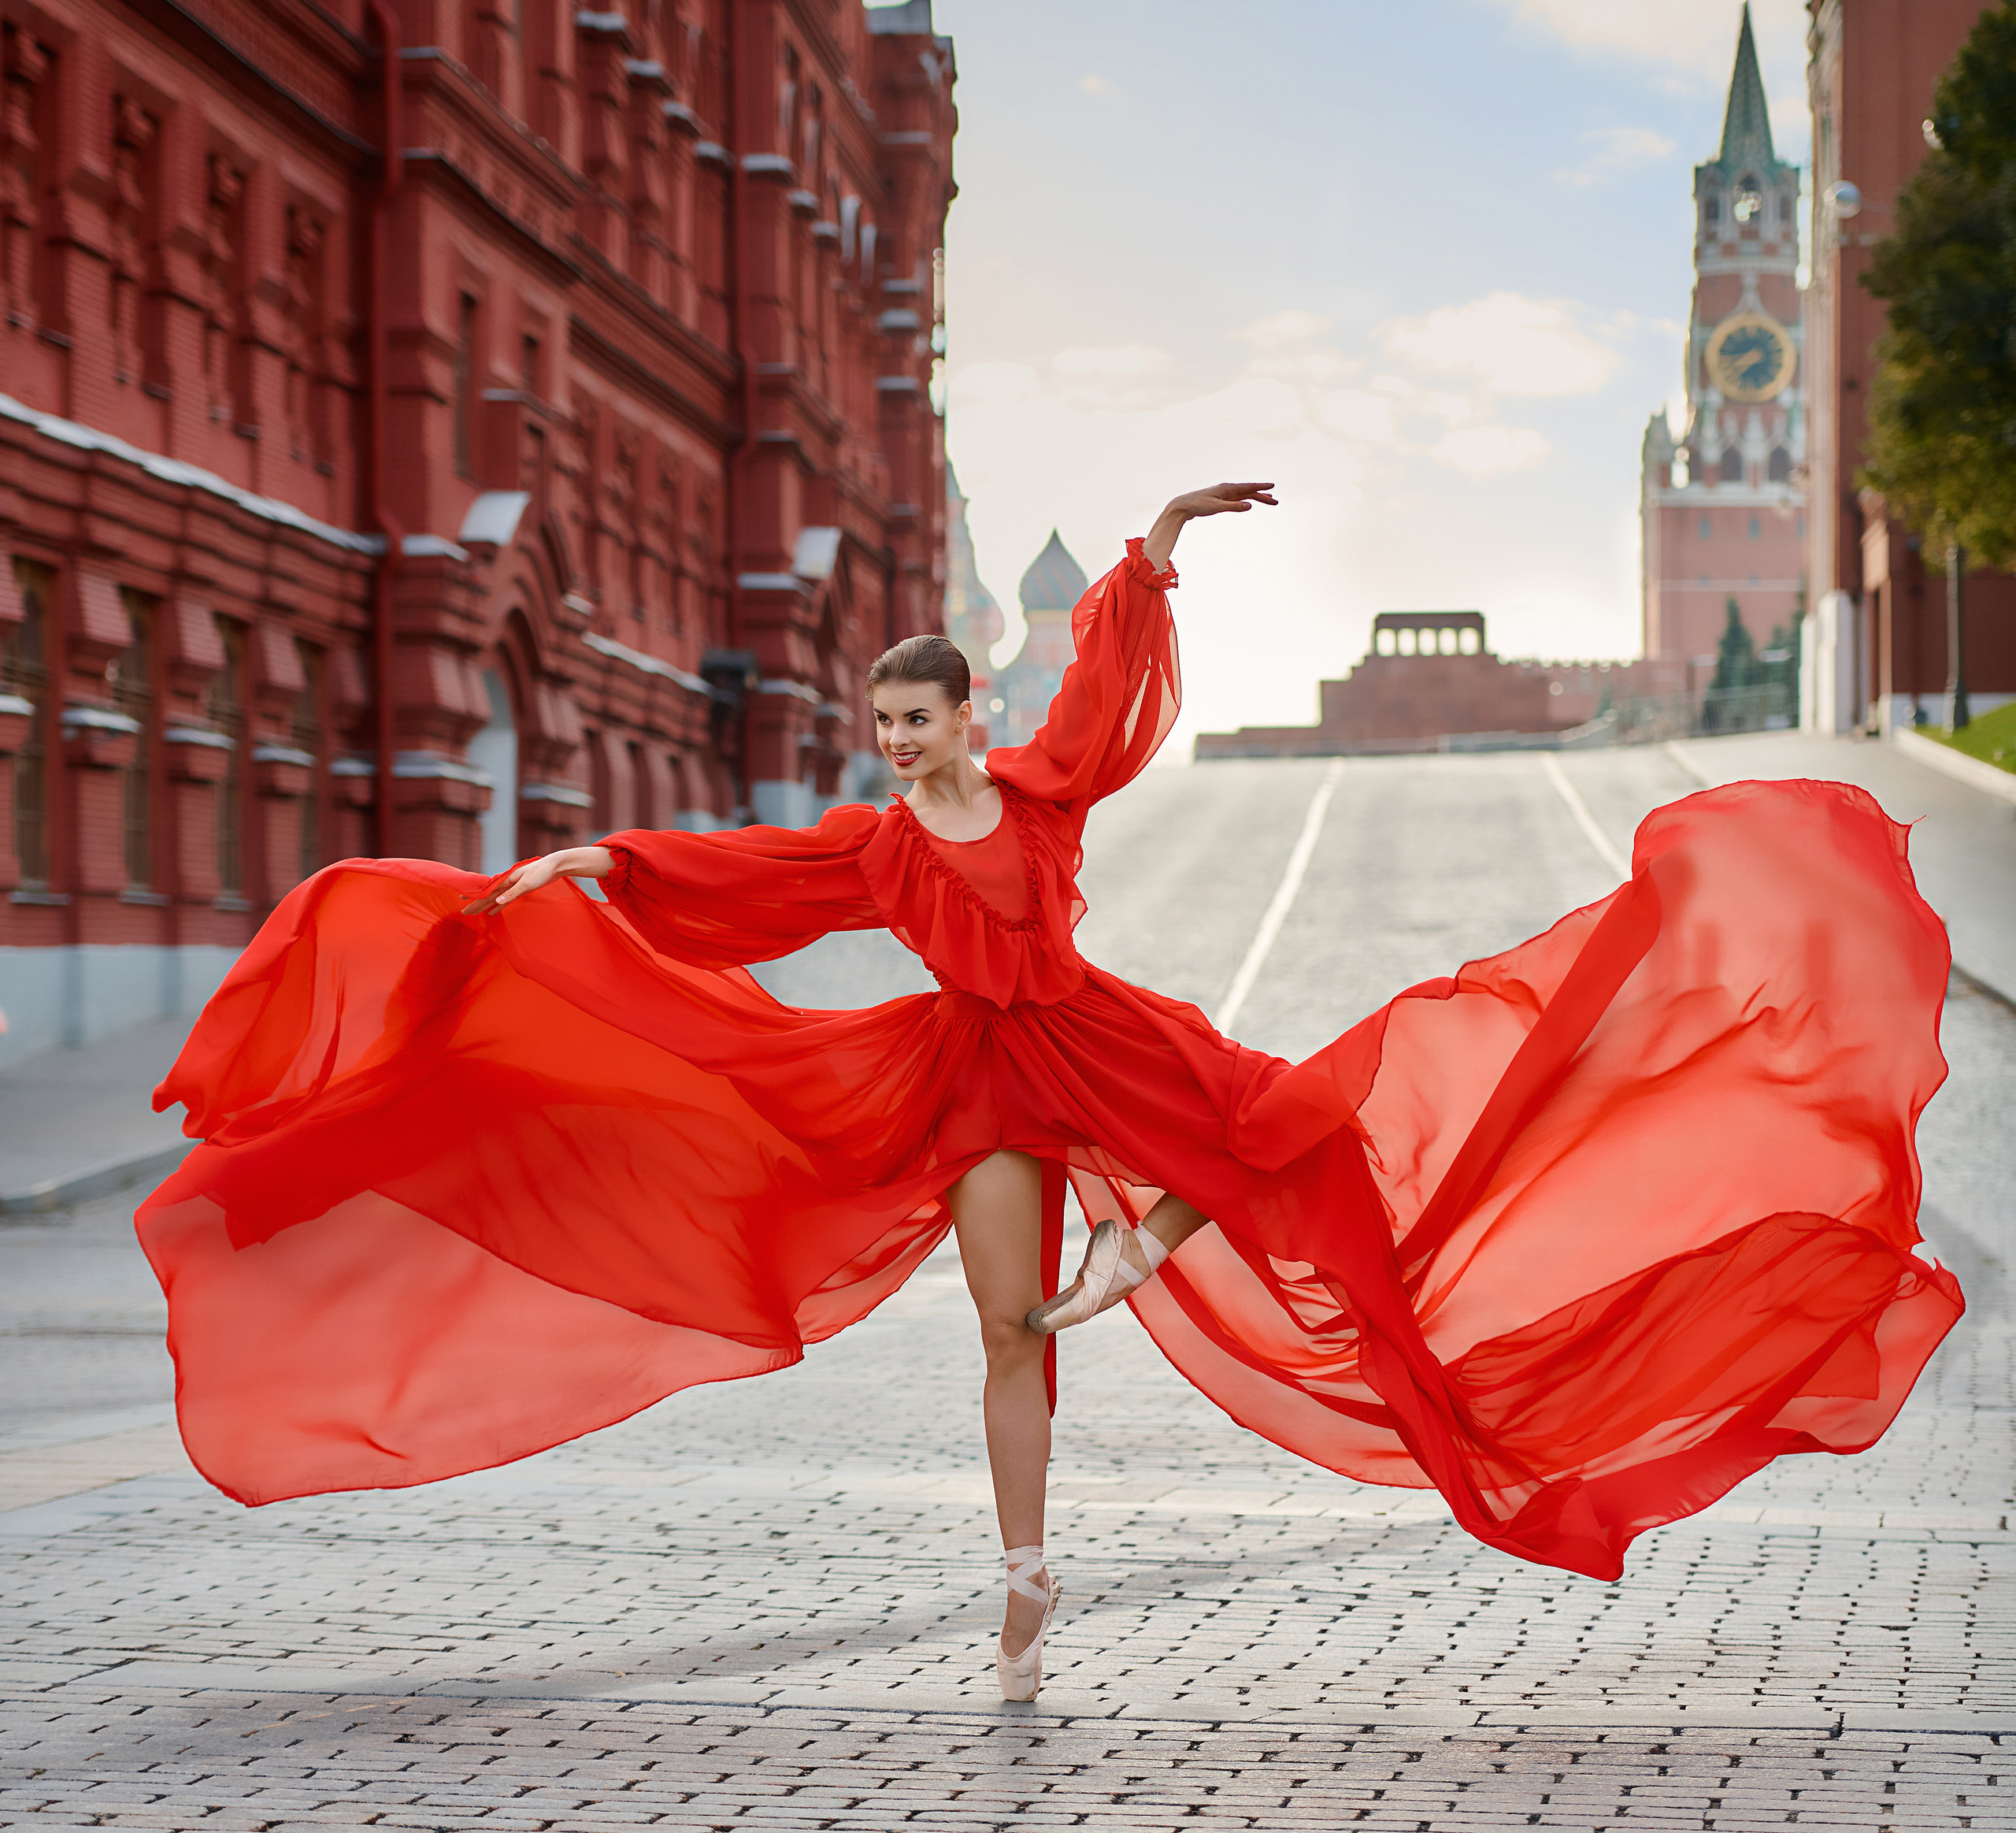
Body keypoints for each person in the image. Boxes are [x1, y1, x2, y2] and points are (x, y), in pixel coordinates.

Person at [138, 482, 1962, 1705]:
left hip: (1103, 1039)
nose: (892, 741)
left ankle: (1150, 1247)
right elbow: (745, 876)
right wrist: (589, 871)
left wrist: (1152, 548)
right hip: (970, 1082)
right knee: (1006, 1330)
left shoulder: (1039, 794)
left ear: (960, 720)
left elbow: (1106, 691)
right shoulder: (871, 845)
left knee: (1284, 1146)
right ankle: (1028, 1573)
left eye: (911, 719)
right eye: (876, 722)